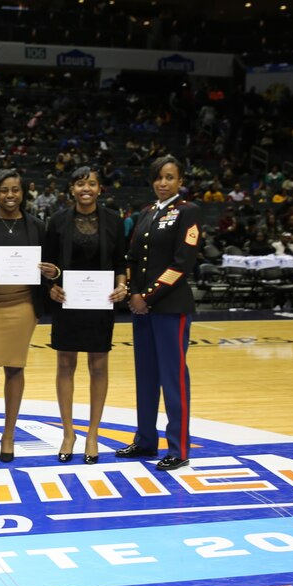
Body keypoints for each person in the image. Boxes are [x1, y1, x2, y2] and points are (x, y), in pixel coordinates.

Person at [118, 155, 203, 472]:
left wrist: (148, 297)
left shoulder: (189, 212)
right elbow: (131, 257)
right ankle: (145, 440)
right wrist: (131, 293)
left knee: (173, 378)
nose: (163, 183)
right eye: (158, 177)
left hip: (170, 306)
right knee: (147, 377)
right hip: (141, 308)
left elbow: (182, 263)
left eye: (169, 177)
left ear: (180, 180)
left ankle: (179, 448)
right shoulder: (146, 213)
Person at [0, 169, 54, 463]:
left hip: (24, 304)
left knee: (16, 368)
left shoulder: (38, 226)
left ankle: (8, 434)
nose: (10, 196)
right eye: (4, 190)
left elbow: (50, 263)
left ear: (23, 193)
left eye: (15, 190)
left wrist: (51, 272)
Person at [43, 167, 128, 464]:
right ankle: (69, 432)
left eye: (91, 183)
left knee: (99, 364)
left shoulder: (115, 221)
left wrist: (121, 286)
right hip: (68, 301)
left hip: (101, 302)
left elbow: (120, 261)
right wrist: (50, 287)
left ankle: (92, 433)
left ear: (100, 189)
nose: (86, 188)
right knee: (65, 363)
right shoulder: (57, 221)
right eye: (80, 183)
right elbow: (47, 264)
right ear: (72, 189)